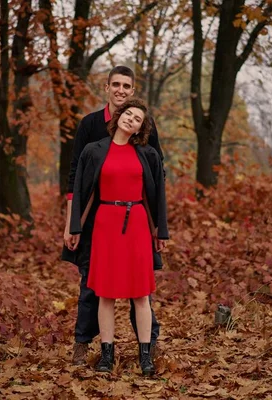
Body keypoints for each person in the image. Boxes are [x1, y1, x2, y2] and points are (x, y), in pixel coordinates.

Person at [61, 66, 165, 366]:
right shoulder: (90, 125)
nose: (120, 90)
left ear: (132, 91)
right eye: (115, 84)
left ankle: (149, 344)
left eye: (126, 86)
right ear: (107, 87)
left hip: (134, 217)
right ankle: (84, 344)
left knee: (139, 287)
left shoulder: (145, 127)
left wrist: (157, 224)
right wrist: (72, 222)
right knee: (91, 284)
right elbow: (75, 179)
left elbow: (157, 173)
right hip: (98, 216)